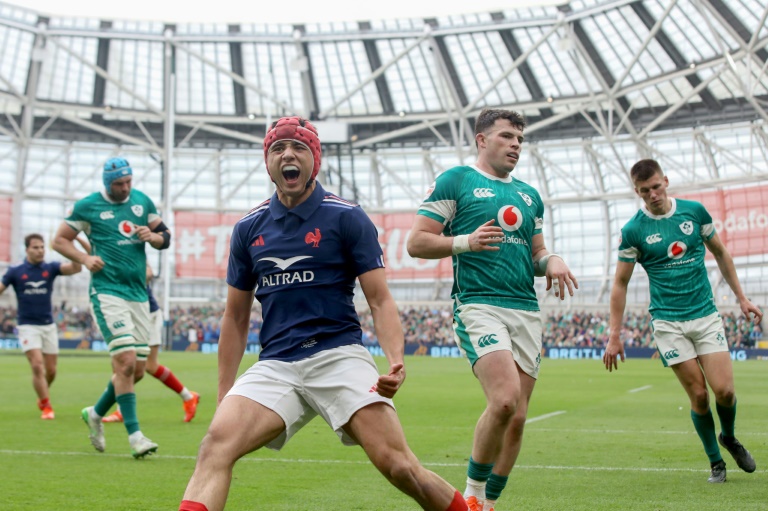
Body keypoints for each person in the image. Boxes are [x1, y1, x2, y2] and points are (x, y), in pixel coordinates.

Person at [179, 116, 468, 511]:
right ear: (268, 162)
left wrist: (396, 360)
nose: (287, 155)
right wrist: (225, 388)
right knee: (214, 446)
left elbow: (380, 299)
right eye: (277, 149)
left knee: (399, 466)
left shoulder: (346, 216)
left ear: (315, 157)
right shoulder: (248, 228)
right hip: (277, 364)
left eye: (298, 147)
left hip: (338, 355)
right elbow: (234, 317)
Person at [407, 108, 578, 511]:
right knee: (504, 400)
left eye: (520, 139)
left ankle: (489, 503)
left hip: (526, 310)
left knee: (517, 417)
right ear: (482, 140)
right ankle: (473, 494)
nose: (516, 145)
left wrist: (550, 259)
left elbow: (535, 254)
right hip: (478, 304)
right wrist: (465, 242)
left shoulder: (529, 196)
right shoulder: (457, 181)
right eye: (506, 137)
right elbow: (416, 242)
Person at [603, 158, 761, 483]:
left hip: (705, 315)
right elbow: (619, 284)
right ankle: (716, 462)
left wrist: (742, 298)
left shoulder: (694, 212)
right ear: (637, 192)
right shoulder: (634, 231)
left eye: (657, 187)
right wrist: (614, 334)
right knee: (699, 396)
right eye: (645, 191)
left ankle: (728, 437)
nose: (653, 194)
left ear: (666, 181)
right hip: (668, 324)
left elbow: (721, 253)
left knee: (726, 392)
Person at [52, 156, 172, 458]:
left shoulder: (142, 201)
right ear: (108, 184)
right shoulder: (88, 206)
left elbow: (166, 238)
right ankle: (136, 438)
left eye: (129, 182)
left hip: (138, 294)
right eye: (120, 184)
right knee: (126, 362)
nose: (125, 188)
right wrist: (84, 259)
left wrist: (153, 237)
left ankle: (95, 413)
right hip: (107, 292)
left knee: (138, 370)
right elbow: (60, 240)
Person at [0, 233, 86, 419]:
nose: (40, 251)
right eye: (35, 247)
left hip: (48, 325)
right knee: (37, 366)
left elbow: (76, 268)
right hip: (27, 326)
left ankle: (42, 396)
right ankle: (47, 407)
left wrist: (70, 247)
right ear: (27, 249)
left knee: (51, 370)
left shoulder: (51, 268)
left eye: (42, 247)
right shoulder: (15, 271)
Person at [101, 264, 200, 423]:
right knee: (121, 363)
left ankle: (188, 397)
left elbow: (148, 273)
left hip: (148, 315)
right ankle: (121, 410)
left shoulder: (132, 250)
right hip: (128, 315)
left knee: (150, 365)